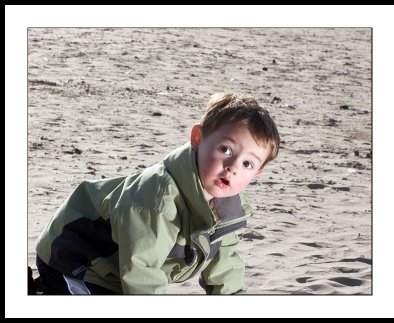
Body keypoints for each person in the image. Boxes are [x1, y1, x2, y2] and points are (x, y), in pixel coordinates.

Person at [35, 92, 280, 295]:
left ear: (258, 172)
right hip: (77, 260)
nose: (234, 167)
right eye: (226, 149)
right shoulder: (156, 200)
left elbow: (225, 268)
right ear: (198, 137)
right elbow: (142, 271)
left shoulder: (227, 210)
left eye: (248, 164)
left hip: (120, 271)